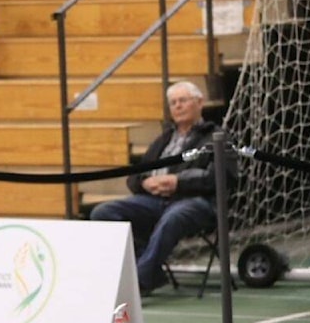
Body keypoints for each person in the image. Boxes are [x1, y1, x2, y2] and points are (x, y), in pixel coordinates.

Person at [90, 81, 238, 295]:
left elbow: (225, 177)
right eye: (173, 103)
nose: (177, 106)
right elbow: (135, 175)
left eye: (183, 100)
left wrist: (179, 182)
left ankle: (139, 281)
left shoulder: (216, 136)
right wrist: (144, 182)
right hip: (155, 201)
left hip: (198, 203)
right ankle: (149, 269)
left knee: (174, 216)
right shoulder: (164, 138)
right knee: (103, 212)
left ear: (199, 102)